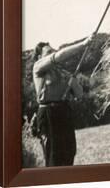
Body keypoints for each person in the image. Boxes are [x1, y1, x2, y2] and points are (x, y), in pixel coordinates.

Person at [32, 35, 93, 167]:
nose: (53, 53)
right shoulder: (38, 68)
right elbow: (59, 56)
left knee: (69, 152)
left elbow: (79, 94)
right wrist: (83, 44)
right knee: (54, 157)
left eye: (53, 50)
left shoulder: (63, 73)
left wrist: (74, 82)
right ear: (39, 58)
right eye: (48, 52)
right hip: (48, 114)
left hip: (64, 112)